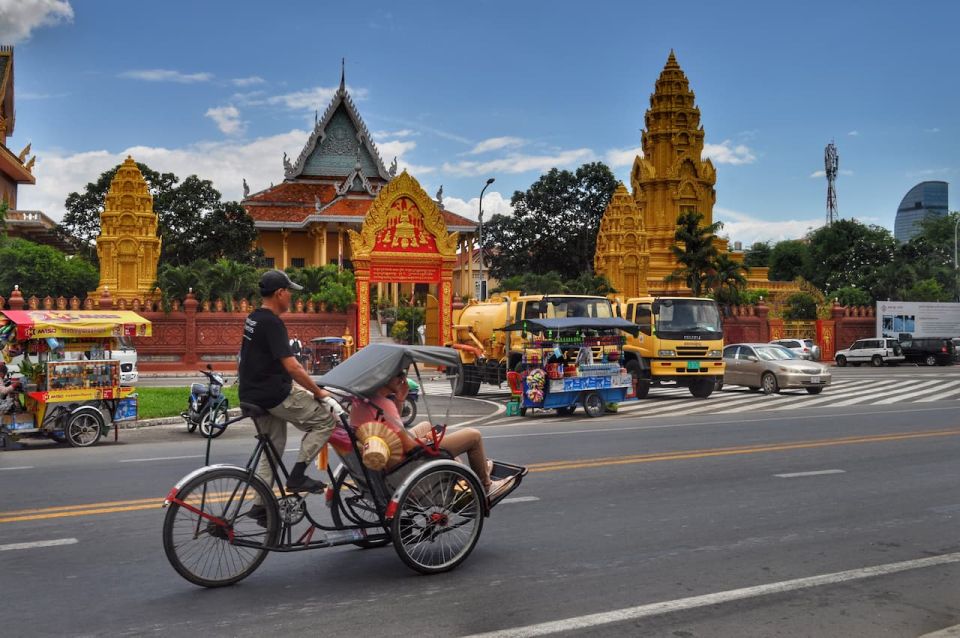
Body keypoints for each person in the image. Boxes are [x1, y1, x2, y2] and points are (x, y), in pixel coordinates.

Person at [239, 270, 338, 500]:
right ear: (280, 293)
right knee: (326, 421)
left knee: (272, 449)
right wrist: (318, 392)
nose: (291, 297)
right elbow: (293, 366)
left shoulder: (253, 317)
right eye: (289, 292)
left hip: (251, 393)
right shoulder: (272, 323)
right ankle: (298, 476)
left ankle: (261, 507)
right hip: (272, 394)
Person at [349, 369, 516, 497]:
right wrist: (425, 441)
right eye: (398, 375)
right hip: (405, 458)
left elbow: (395, 423)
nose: (402, 379)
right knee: (473, 435)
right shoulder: (384, 405)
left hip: (385, 446)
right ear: (384, 379)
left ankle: (464, 471)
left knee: (426, 424)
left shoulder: (360, 401)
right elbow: (408, 446)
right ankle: (486, 485)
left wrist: (400, 399)